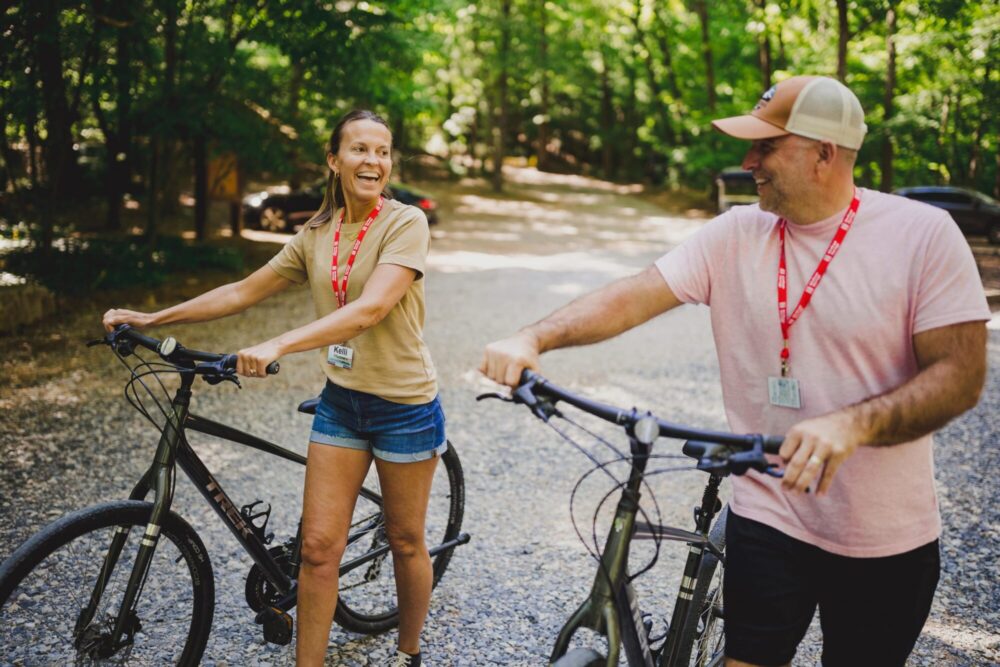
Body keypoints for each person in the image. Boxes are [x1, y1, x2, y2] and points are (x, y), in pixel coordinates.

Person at [481, 75, 990, 667]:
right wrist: (533, 336)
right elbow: (633, 295)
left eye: (765, 147)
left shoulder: (922, 235)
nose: (748, 162)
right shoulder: (737, 233)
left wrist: (851, 425)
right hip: (768, 514)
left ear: (824, 153)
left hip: (882, 536)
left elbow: (959, 375)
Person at [104, 109, 441, 667]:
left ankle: (409, 653)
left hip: (404, 405)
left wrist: (278, 345)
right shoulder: (316, 234)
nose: (373, 161)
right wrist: (153, 317)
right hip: (342, 404)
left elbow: (372, 308)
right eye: (359, 149)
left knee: (406, 541)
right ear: (333, 160)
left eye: (382, 152)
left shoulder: (405, 222)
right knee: (318, 550)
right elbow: (242, 291)